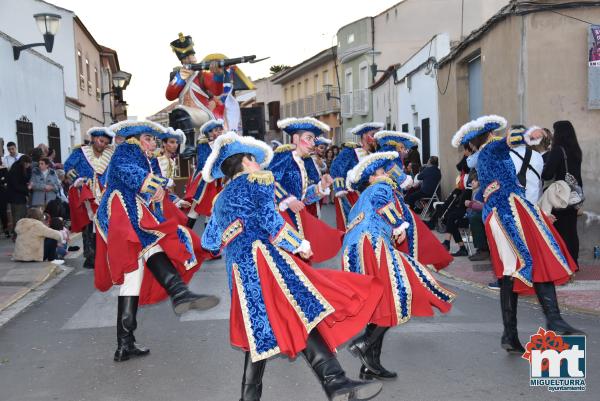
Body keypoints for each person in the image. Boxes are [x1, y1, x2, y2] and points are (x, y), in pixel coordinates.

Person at [201, 132, 383, 401]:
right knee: (303, 310)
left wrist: (235, 230)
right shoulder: (258, 180)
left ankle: (253, 396)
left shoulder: (221, 198)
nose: (260, 165)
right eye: (256, 160)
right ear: (247, 162)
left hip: (239, 272)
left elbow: (210, 241)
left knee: (259, 329)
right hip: (266, 261)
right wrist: (298, 243)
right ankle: (335, 382)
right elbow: (270, 221)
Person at [452, 115, 582, 355]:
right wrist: (527, 134)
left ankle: (511, 334)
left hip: (505, 211)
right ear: (490, 135)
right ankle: (551, 320)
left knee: (512, 272)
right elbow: (510, 140)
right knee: (532, 259)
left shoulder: (483, 155)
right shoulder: (492, 149)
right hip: (509, 211)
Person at [95, 120, 219, 362]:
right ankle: (179, 292)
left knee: (133, 278)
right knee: (151, 244)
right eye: (149, 139)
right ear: (136, 139)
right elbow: (133, 176)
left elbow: (155, 184)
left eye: (153, 139)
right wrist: (158, 185)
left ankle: (124, 344)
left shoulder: (146, 157)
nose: (154, 144)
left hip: (133, 212)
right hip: (122, 211)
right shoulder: (126, 151)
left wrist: (171, 196)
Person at [342, 151, 454, 381]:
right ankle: (364, 343)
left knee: (381, 302)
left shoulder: (363, 196)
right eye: (381, 172)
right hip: (372, 244)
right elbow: (385, 206)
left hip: (357, 249)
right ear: (372, 177)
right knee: (400, 293)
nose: (386, 176)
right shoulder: (381, 188)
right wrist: (399, 226)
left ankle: (370, 364)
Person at [373, 131, 453, 270]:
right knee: (407, 228)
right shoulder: (391, 157)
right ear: (397, 146)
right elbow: (395, 173)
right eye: (403, 148)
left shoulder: (388, 156)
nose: (405, 151)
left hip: (392, 198)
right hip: (392, 199)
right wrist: (405, 179)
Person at [269, 117, 342, 262]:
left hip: (295, 219)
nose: (312, 143)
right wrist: (287, 200)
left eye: (313, 139)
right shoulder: (284, 155)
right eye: (308, 138)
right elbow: (268, 181)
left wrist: (321, 186)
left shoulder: (300, 161)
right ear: (295, 138)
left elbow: (303, 199)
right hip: (280, 221)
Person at [166, 33, 252, 148]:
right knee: (176, 116)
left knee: (181, 112)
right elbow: (169, 96)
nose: (188, 60)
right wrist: (180, 79)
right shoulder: (178, 75)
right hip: (185, 118)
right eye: (185, 58)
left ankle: (189, 147)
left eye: (190, 56)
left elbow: (216, 91)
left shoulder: (202, 74)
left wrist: (218, 75)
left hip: (203, 114)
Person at [64, 127, 115, 269]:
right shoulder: (80, 152)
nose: (102, 145)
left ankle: (103, 254)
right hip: (85, 194)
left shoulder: (109, 155)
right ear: (93, 139)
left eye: (105, 142)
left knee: (103, 224)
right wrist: (77, 179)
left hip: (104, 194)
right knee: (88, 225)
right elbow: (67, 167)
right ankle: (90, 256)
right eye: (100, 141)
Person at [541, 120, 583, 265]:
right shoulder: (576, 150)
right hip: (574, 195)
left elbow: (547, 174)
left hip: (560, 196)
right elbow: (578, 175)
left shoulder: (558, 150)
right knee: (571, 231)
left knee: (559, 231)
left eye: (554, 131)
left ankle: (563, 264)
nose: (552, 134)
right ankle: (574, 263)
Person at [330, 122, 383, 230]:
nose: (375, 138)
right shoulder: (351, 151)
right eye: (373, 135)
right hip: (352, 195)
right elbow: (336, 168)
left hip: (369, 195)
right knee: (355, 228)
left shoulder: (372, 154)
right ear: (364, 135)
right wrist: (339, 188)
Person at [184, 119, 226, 229]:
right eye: (216, 130)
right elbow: (204, 162)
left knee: (211, 211)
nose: (219, 132)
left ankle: (207, 242)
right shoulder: (204, 144)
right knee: (195, 210)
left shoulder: (221, 145)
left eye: (220, 130)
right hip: (204, 181)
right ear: (209, 132)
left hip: (216, 180)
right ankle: (185, 236)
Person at [509, 125, 543, 204]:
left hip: (514, 206)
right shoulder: (538, 156)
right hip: (534, 203)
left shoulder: (506, 156)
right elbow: (539, 182)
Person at [7, 155, 32, 236]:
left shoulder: (20, 167)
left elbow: (25, 178)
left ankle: (18, 233)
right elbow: (16, 184)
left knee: (20, 215)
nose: (29, 166)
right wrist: (27, 188)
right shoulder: (16, 169)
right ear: (25, 163)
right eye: (28, 164)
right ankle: (17, 234)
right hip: (16, 196)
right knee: (18, 215)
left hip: (18, 195)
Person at [0, 159, 9, 237]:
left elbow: (6, 179)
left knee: (3, 212)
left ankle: (6, 229)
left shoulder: (3, 168)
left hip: (2, 194)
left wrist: (3, 180)